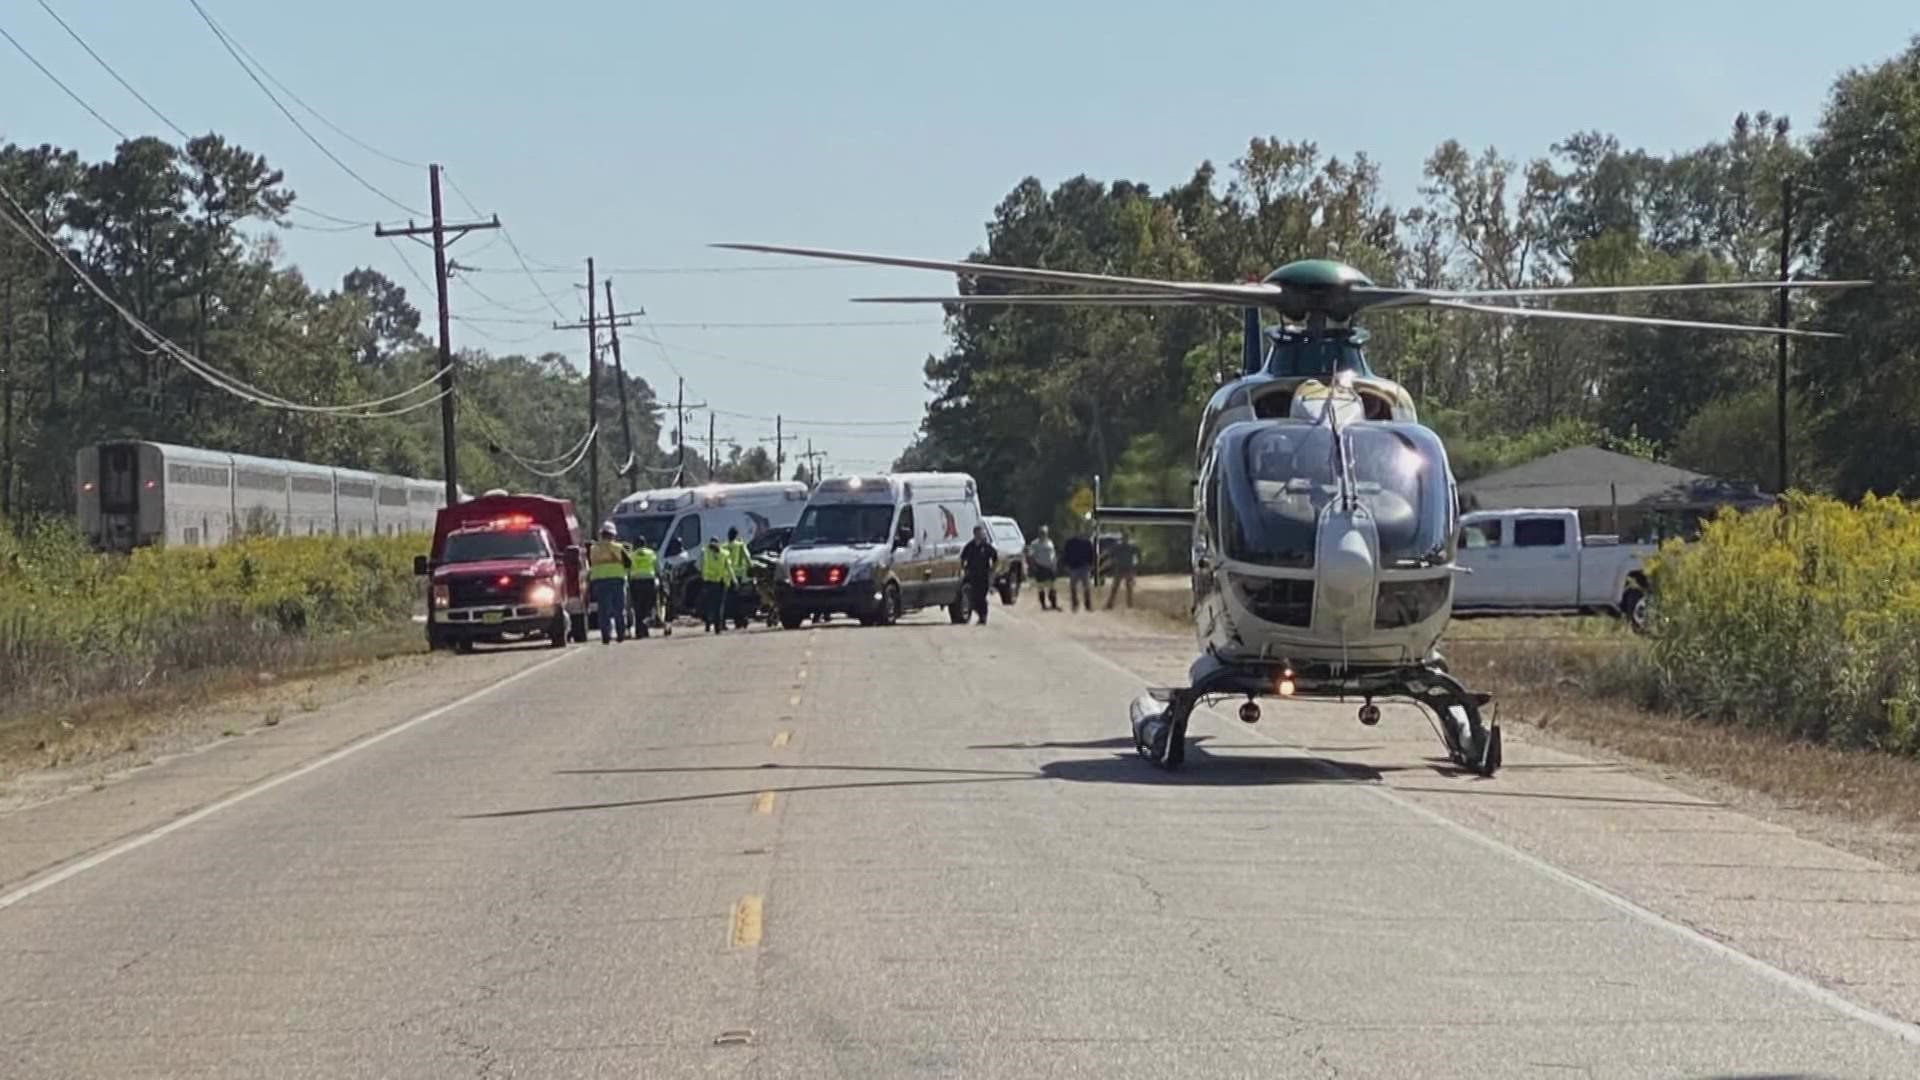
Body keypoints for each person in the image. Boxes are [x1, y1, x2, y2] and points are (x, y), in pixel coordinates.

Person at [586, 522, 630, 644]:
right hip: (617, 580)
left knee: (603, 610)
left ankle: (606, 636)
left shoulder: (594, 549)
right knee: (619, 609)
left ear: (601, 534)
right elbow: (628, 564)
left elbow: (591, 563)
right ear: (613, 534)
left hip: (600, 581)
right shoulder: (619, 547)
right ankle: (620, 634)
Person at [959, 524, 998, 625]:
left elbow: (995, 557)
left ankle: (983, 617)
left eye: (981, 533)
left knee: (982, 596)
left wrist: (993, 569)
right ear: (974, 534)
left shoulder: (986, 546)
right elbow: (963, 557)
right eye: (978, 533)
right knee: (974, 597)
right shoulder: (970, 546)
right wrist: (964, 568)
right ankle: (980, 614)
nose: (980, 535)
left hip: (984, 576)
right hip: (973, 575)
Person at [700, 536, 736, 634]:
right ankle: (717, 627)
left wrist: (702, 576)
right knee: (718, 606)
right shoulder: (724, 553)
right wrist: (734, 580)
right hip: (720, 582)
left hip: (709, 581)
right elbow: (729, 568)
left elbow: (700, 565)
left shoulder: (705, 552)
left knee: (709, 604)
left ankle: (708, 624)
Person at [627, 534, 659, 639]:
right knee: (647, 607)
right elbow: (657, 567)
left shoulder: (632, 555)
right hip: (649, 581)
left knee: (637, 608)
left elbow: (628, 569)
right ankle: (645, 630)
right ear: (645, 544)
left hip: (635, 582)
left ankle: (638, 631)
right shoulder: (651, 553)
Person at [723, 526, 753, 630]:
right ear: (736, 535)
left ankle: (724, 621)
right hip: (738, 576)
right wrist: (752, 568)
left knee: (727, 600)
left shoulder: (724, 546)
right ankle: (739, 620)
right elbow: (747, 558)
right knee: (738, 600)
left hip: (726, 576)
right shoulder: (740, 545)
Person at [1060, 528, 1096, 612]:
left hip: (1085, 567)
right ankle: (1075, 604)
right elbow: (1065, 553)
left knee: (1086, 586)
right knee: (1073, 586)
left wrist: (1091, 564)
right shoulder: (1070, 542)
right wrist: (1066, 564)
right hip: (1074, 567)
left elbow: (1092, 554)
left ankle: (1088, 605)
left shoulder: (1087, 542)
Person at [1025, 525, 1058, 611]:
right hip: (1040, 567)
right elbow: (1030, 555)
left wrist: (1055, 563)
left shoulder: (1050, 542)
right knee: (1041, 586)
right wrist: (1033, 566)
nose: (1043, 534)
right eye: (1042, 533)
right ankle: (1043, 605)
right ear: (1039, 534)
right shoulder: (1035, 544)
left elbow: (1053, 553)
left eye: (1045, 533)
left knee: (1052, 586)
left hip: (1050, 567)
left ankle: (1054, 604)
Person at [1104, 531, 1138, 610]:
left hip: (1123, 568)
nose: (1125, 540)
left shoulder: (1120, 547)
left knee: (1118, 588)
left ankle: (1111, 604)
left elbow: (1110, 555)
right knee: (1125, 588)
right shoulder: (1129, 547)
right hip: (1125, 568)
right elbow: (1136, 557)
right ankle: (1127, 604)